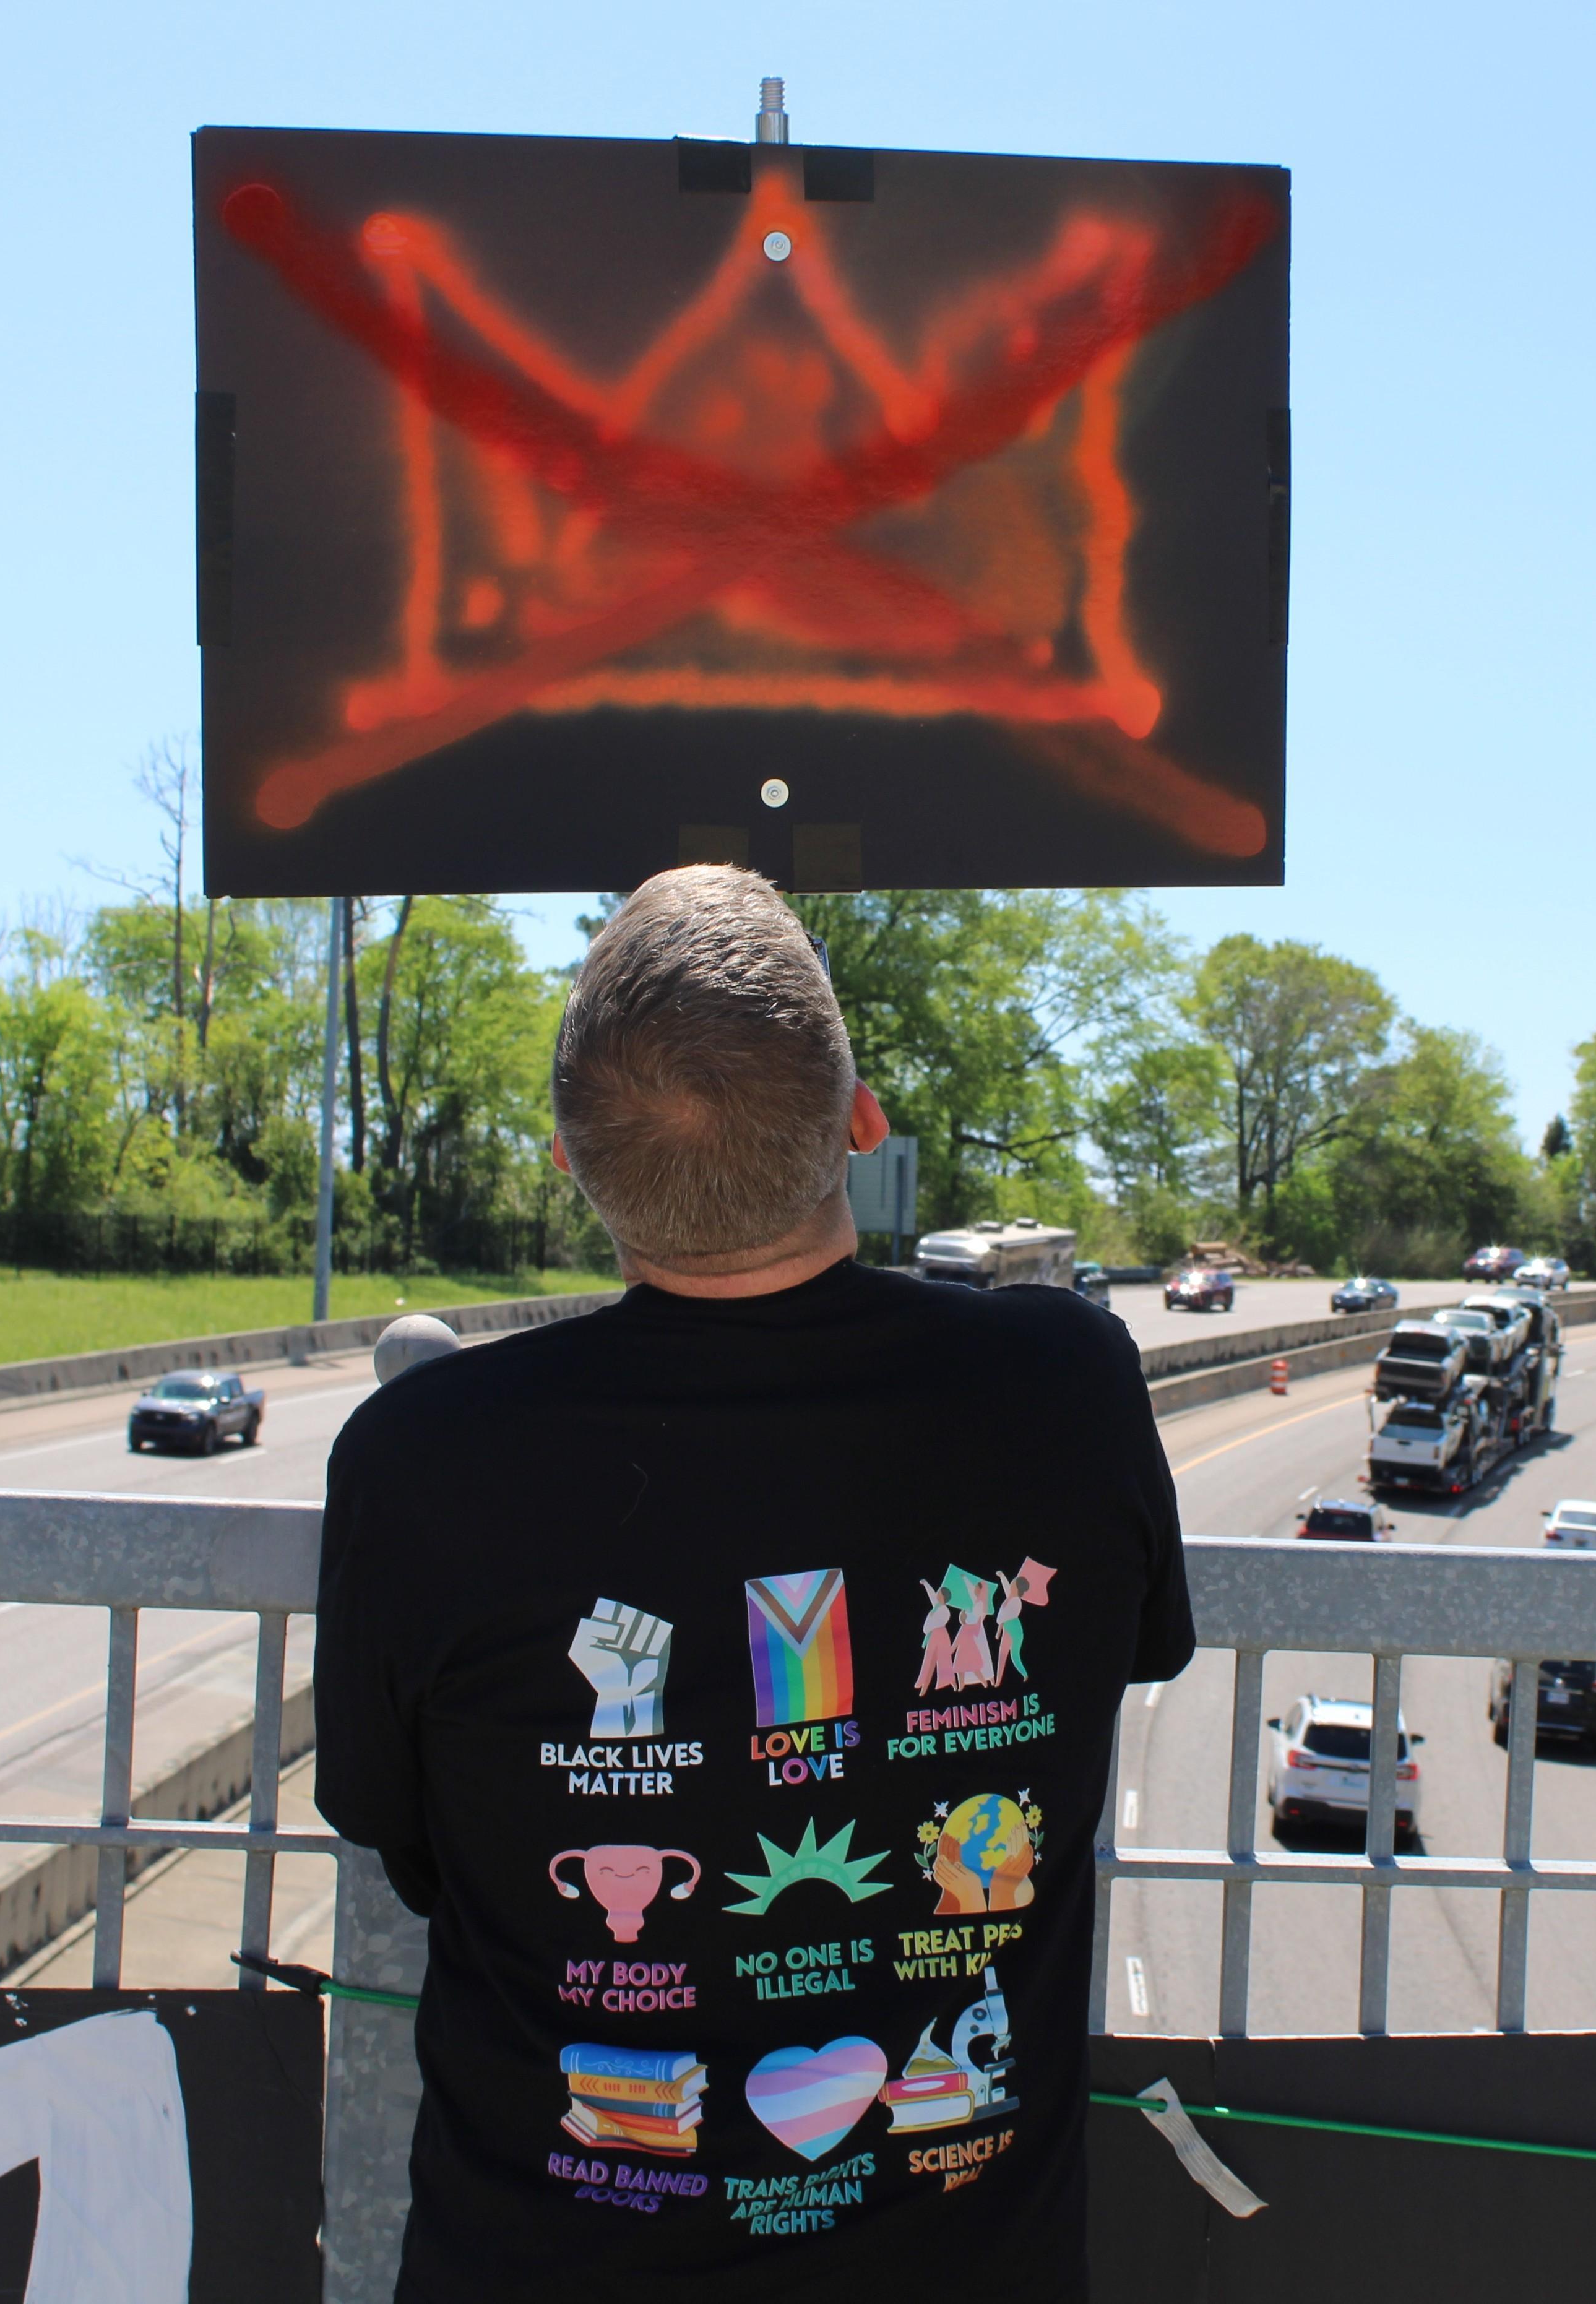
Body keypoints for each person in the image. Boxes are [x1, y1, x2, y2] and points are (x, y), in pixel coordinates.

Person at [316, 865, 1193, 2303]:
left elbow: (396, 1829)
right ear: (860, 1123)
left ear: (570, 1162)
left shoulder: (424, 1458)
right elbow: (1131, 1648)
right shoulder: (1065, 1386)